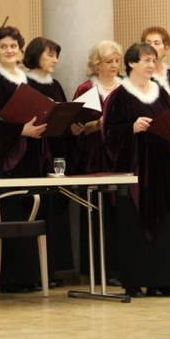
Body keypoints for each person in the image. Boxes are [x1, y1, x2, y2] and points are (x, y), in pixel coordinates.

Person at [103, 42, 170, 298]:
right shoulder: (119, 96)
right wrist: (131, 127)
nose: (151, 65)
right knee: (134, 227)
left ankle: (161, 281)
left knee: (164, 225)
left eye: (154, 60)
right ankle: (134, 282)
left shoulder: (161, 93)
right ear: (131, 63)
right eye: (146, 60)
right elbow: (108, 135)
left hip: (162, 169)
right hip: (135, 171)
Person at [0, 26, 47, 293]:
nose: (9, 50)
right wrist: (19, 131)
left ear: (20, 49)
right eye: (3, 46)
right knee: (10, 214)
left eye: (13, 46)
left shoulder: (25, 78)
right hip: (6, 160)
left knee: (29, 214)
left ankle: (29, 276)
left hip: (28, 156)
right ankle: (9, 280)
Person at [21, 37, 80, 287]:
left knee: (54, 212)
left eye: (56, 55)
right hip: (33, 153)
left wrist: (73, 127)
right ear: (36, 55)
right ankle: (35, 271)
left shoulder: (55, 85)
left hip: (55, 153)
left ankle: (53, 269)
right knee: (37, 210)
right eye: (50, 55)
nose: (55, 60)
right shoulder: (25, 82)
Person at [72, 40, 124, 286]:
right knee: (99, 212)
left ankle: (124, 266)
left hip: (122, 156)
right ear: (96, 64)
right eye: (108, 61)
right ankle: (102, 268)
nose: (114, 65)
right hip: (96, 157)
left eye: (117, 61)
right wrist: (98, 124)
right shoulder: (86, 89)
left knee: (122, 212)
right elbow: (75, 128)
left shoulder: (125, 88)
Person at [141, 27, 170, 94]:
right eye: (148, 43)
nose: (151, 47)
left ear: (166, 49)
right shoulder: (140, 77)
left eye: (156, 43)